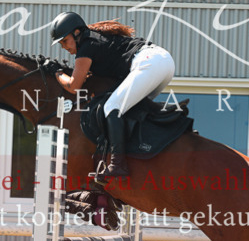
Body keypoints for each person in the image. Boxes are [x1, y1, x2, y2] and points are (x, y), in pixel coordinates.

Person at [50, 11, 174, 179]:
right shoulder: (94, 39)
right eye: (61, 44)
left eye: (65, 41)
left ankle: (118, 165)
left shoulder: (86, 45)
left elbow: (73, 86)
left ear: (77, 33)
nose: (64, 47)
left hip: (150, 62)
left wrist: (56, 73)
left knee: (112, 107)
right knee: (130, 110)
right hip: (163, 63)